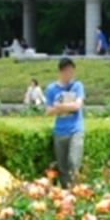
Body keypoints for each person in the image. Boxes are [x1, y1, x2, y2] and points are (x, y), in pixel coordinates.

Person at [46, 57, 85, 187]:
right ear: (61, 72)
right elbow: (48, 111)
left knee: (73, 162)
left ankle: (76, 190)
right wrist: (59, 108)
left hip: (75, 129)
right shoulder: (52, 89)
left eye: (71, 71)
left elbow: (77, 106)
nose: (70, 74)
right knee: (62, 166)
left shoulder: (77, 86)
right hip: (60, 131)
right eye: (67, 71)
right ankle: (65, 193)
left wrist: (60, 107)